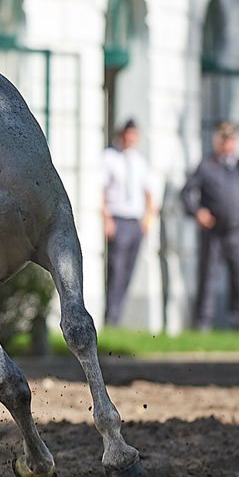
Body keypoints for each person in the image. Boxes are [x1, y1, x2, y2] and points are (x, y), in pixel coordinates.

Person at [180, 122, 239, 332]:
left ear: (235, 141)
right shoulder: (207, 167)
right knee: (207, 281)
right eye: (223, 137)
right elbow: (186, 194)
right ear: (217, 140)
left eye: (231, 138)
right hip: (213, 235)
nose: (227, 142)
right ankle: (202, 325)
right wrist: (198, 211)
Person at [101, 119, 157, 326]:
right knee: (117, 268)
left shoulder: (139, 161)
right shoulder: (109, 158)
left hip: (135, 221)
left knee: (129, 270)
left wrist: (148, 219)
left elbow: (150, 192)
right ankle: (111, 317)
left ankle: (118, 313)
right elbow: (102, 191)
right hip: (118, 218)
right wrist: (106, 219)